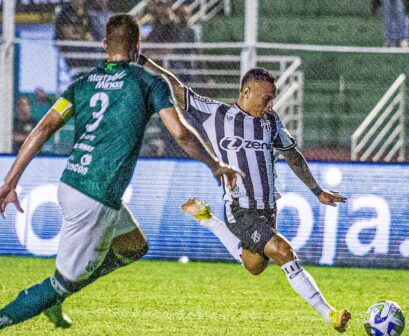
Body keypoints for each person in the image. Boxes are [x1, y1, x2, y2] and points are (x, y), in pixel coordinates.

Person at [0, 14, 241, 330]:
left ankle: (59, 294)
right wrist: (214, 163)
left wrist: (9, 182)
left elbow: (44, 127)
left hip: (74, 181)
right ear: (138, 46)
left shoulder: (81, 85)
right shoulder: (149, 82)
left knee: (134, 245)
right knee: (61, 282)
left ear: (104, 46)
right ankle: (41, 301)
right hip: (96, 197)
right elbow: (180, 133)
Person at [138, 59, 351, 332]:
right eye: (266, 99)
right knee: (283, 251)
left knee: (254, 265)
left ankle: (207, 219)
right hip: (240, 209)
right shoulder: (217, 114)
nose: (271, 106)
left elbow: (292, 156)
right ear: (246, 92)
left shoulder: (271, 122)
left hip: (267, 210)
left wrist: (317, 191)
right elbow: (177, 88)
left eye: (272, 99)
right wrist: (145, 62)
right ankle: (329, 313)